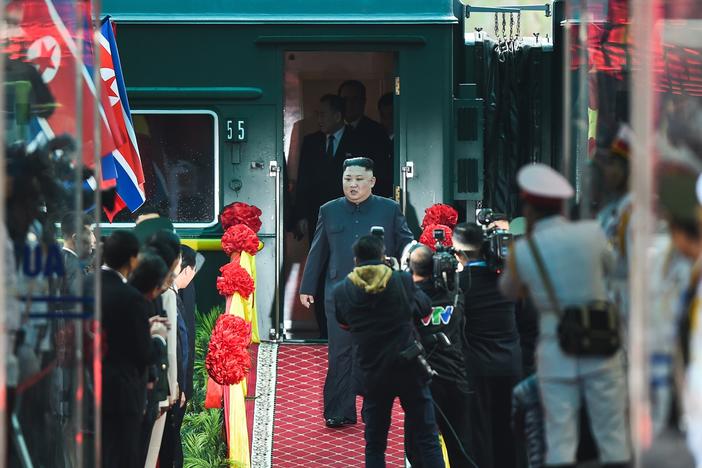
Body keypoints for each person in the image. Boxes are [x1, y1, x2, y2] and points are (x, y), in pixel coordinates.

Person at [499, 163, 631, 468]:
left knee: (560, 439)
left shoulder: (524, 251)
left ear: (529, 209)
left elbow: (510, 290)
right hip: (601, 342)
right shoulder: (593, 234)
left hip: (557, 352)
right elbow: (615, 271)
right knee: (612, 435)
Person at [299, 157, 414, 427]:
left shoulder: (389, 209)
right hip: (338, 293)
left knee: (377, 352)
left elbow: (407, 243)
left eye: (359, 179)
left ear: (372, 182)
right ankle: (339, 411)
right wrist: (307, 286)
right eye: (348, 179)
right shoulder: (329, 210)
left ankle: (375, 410)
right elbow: (318, 251)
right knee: (340, 352)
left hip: (380, 293)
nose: (352, 185)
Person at [333, 235, 444, 468]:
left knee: (375, 444)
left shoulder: (342, 290)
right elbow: (425, 310)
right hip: (409, 367)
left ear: (356, 260)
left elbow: (344, 324)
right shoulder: (402, 280)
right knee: (427, 437)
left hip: (372, 371)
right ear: (383, 257)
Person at [452, 222, 521, 468]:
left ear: (458, 252)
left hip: (476, 368)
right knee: (510, 431)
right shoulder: (511, 279)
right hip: (511, 363)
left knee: (479, 433)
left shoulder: (459, 284)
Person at [101, 231, 168, 468]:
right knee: (124, 457)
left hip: (88, 389)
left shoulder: (84, 284)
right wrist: (158, 337)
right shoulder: (131, 298)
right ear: (132, 259)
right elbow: (143, 353)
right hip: (122, 393)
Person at [294, 94, 359, 338]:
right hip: (317, 218)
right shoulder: (311, 142)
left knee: (347, 268)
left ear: (338, 115)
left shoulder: (359, 140)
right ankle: (324, 329)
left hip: (351, 218)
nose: (318, 119)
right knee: (320, 269)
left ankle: (348, 326)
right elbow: (302, 182)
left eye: (323, 113)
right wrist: (300, 215)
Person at [407, 244, 473, 467]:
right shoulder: (455, 293)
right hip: (457, 378)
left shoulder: (411, 298)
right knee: (460, 444)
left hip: (423, 380)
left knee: (419, 446)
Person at [338, 80, 392, 198]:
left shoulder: (376, 131)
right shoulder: (332, 131)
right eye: (345, 100)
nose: (349, 104)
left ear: (363, 101)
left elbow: (382, 172)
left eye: (355, 99)